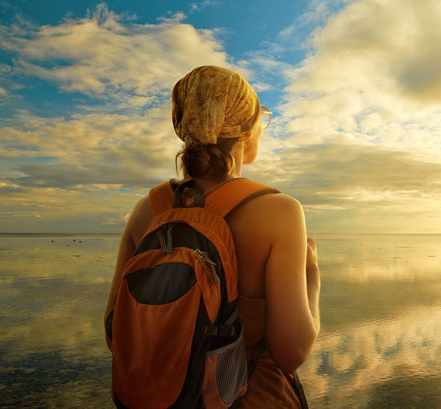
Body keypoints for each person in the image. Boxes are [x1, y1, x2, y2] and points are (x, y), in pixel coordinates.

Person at [103, 65, 320, 408]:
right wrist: (312, 276)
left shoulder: (147, 210)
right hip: (245, 396)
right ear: (247, 134)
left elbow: (114, 331)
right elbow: (291, 352)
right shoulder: (280, 212)